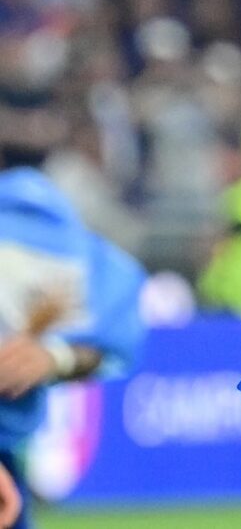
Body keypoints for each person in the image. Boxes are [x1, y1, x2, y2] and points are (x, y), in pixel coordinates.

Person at [0, 92, 148, 529]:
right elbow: (113, 341)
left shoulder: (58, 233)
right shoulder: (74, 241)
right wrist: (56, 355)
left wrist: (51, 356)